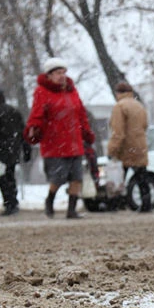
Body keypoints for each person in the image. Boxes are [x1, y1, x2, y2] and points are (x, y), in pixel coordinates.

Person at [24, 57, 95, 219]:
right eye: (57, 73)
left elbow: (81, 113)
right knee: (58, 178)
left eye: (63, 72)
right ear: (49, 75)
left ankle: (72, 210)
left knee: (77, 178)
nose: (61, 76)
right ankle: (50, 201)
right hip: (55, 142)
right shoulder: (42, 92)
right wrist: (33, 128)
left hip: (74, 141)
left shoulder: (72, 91)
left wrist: (86, 132)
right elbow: (37, 113)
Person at [0, 88, 31, 216]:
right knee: (10, 176)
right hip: (13, 149)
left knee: (2, 178)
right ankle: (13, 202)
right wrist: (26, 149)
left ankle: (8, 203)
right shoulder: (14, 111)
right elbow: (23, 131)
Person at [107, 81, 150, 212]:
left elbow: (118, 132)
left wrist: (112, 149)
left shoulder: (119, 107)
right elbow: (145, 125)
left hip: (126, 147)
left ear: (117, 93)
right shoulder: (139, 105)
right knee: (142, 177)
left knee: (118, 177)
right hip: (140, 145)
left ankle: (115, 204)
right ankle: (146, 203)